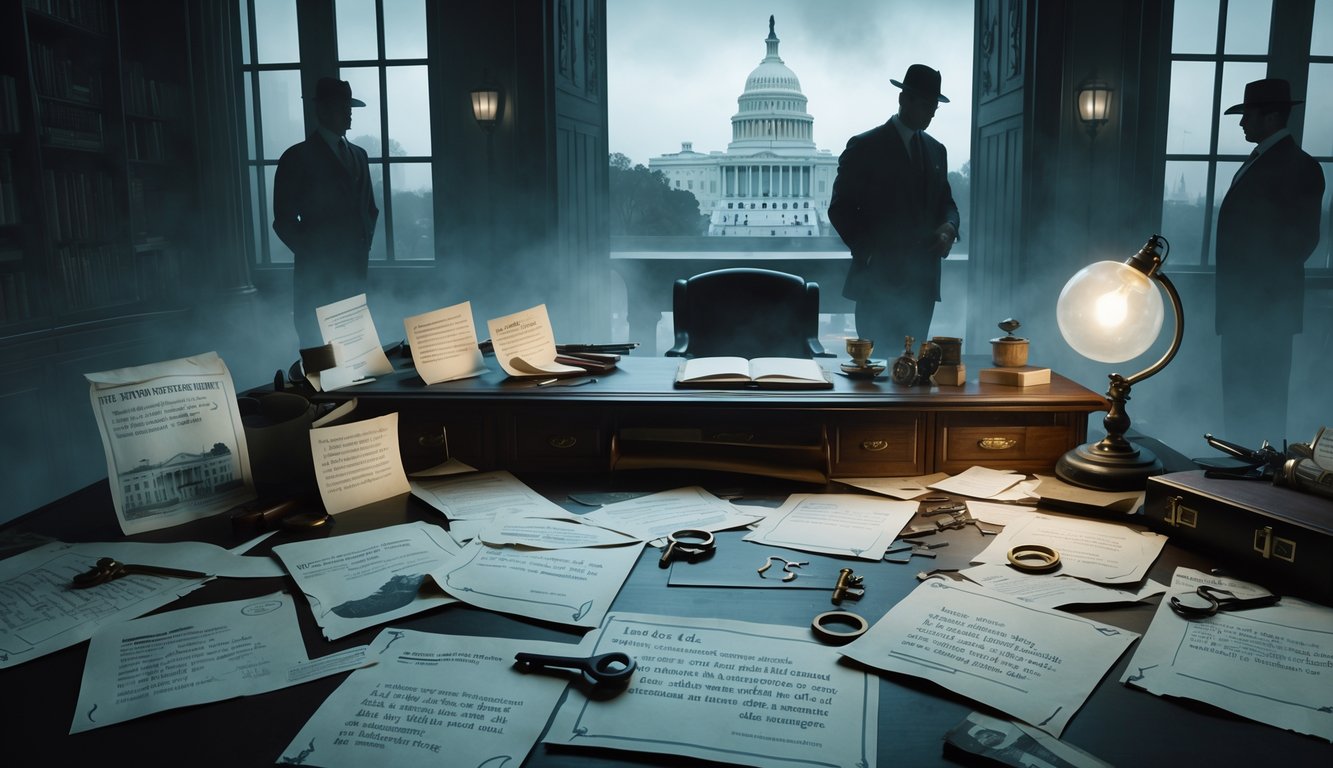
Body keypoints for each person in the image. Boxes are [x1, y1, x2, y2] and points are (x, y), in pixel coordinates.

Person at [1215, 78, 1324, 447]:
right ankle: (1243, 472)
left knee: (1263, 400)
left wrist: (1254, 299)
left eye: (1248, 114)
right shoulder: (1267, 159)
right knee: (1241, 399)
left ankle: (1257, 480)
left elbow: (1302, 240)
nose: (1243, 122)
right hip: (1247, 311)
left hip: (1264, 313)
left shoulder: (1300, 166)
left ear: (1272, 115)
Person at [828, 64, 960, 352]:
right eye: (927, 105)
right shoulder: (865, 147)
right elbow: (840, 209)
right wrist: (870, 252)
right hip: (878, 283)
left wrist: (949, 227)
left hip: (922, 285)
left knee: (911, 373)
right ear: (904, 99)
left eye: (935, 106)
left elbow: (946, 203)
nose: (933, 113)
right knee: (876, 376)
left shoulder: (937, 150)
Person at [272, 76, 379, 349]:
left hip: (355, 274)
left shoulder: (359, 155)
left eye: (349, 107)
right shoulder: (297, 157)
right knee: (318, 351)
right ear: (322, 111)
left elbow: (369, 208)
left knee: (355, 352)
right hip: (316, 279)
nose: (349, 113)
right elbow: (283, 221)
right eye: (342, 107)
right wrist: (317, 254)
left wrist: (361, 244)